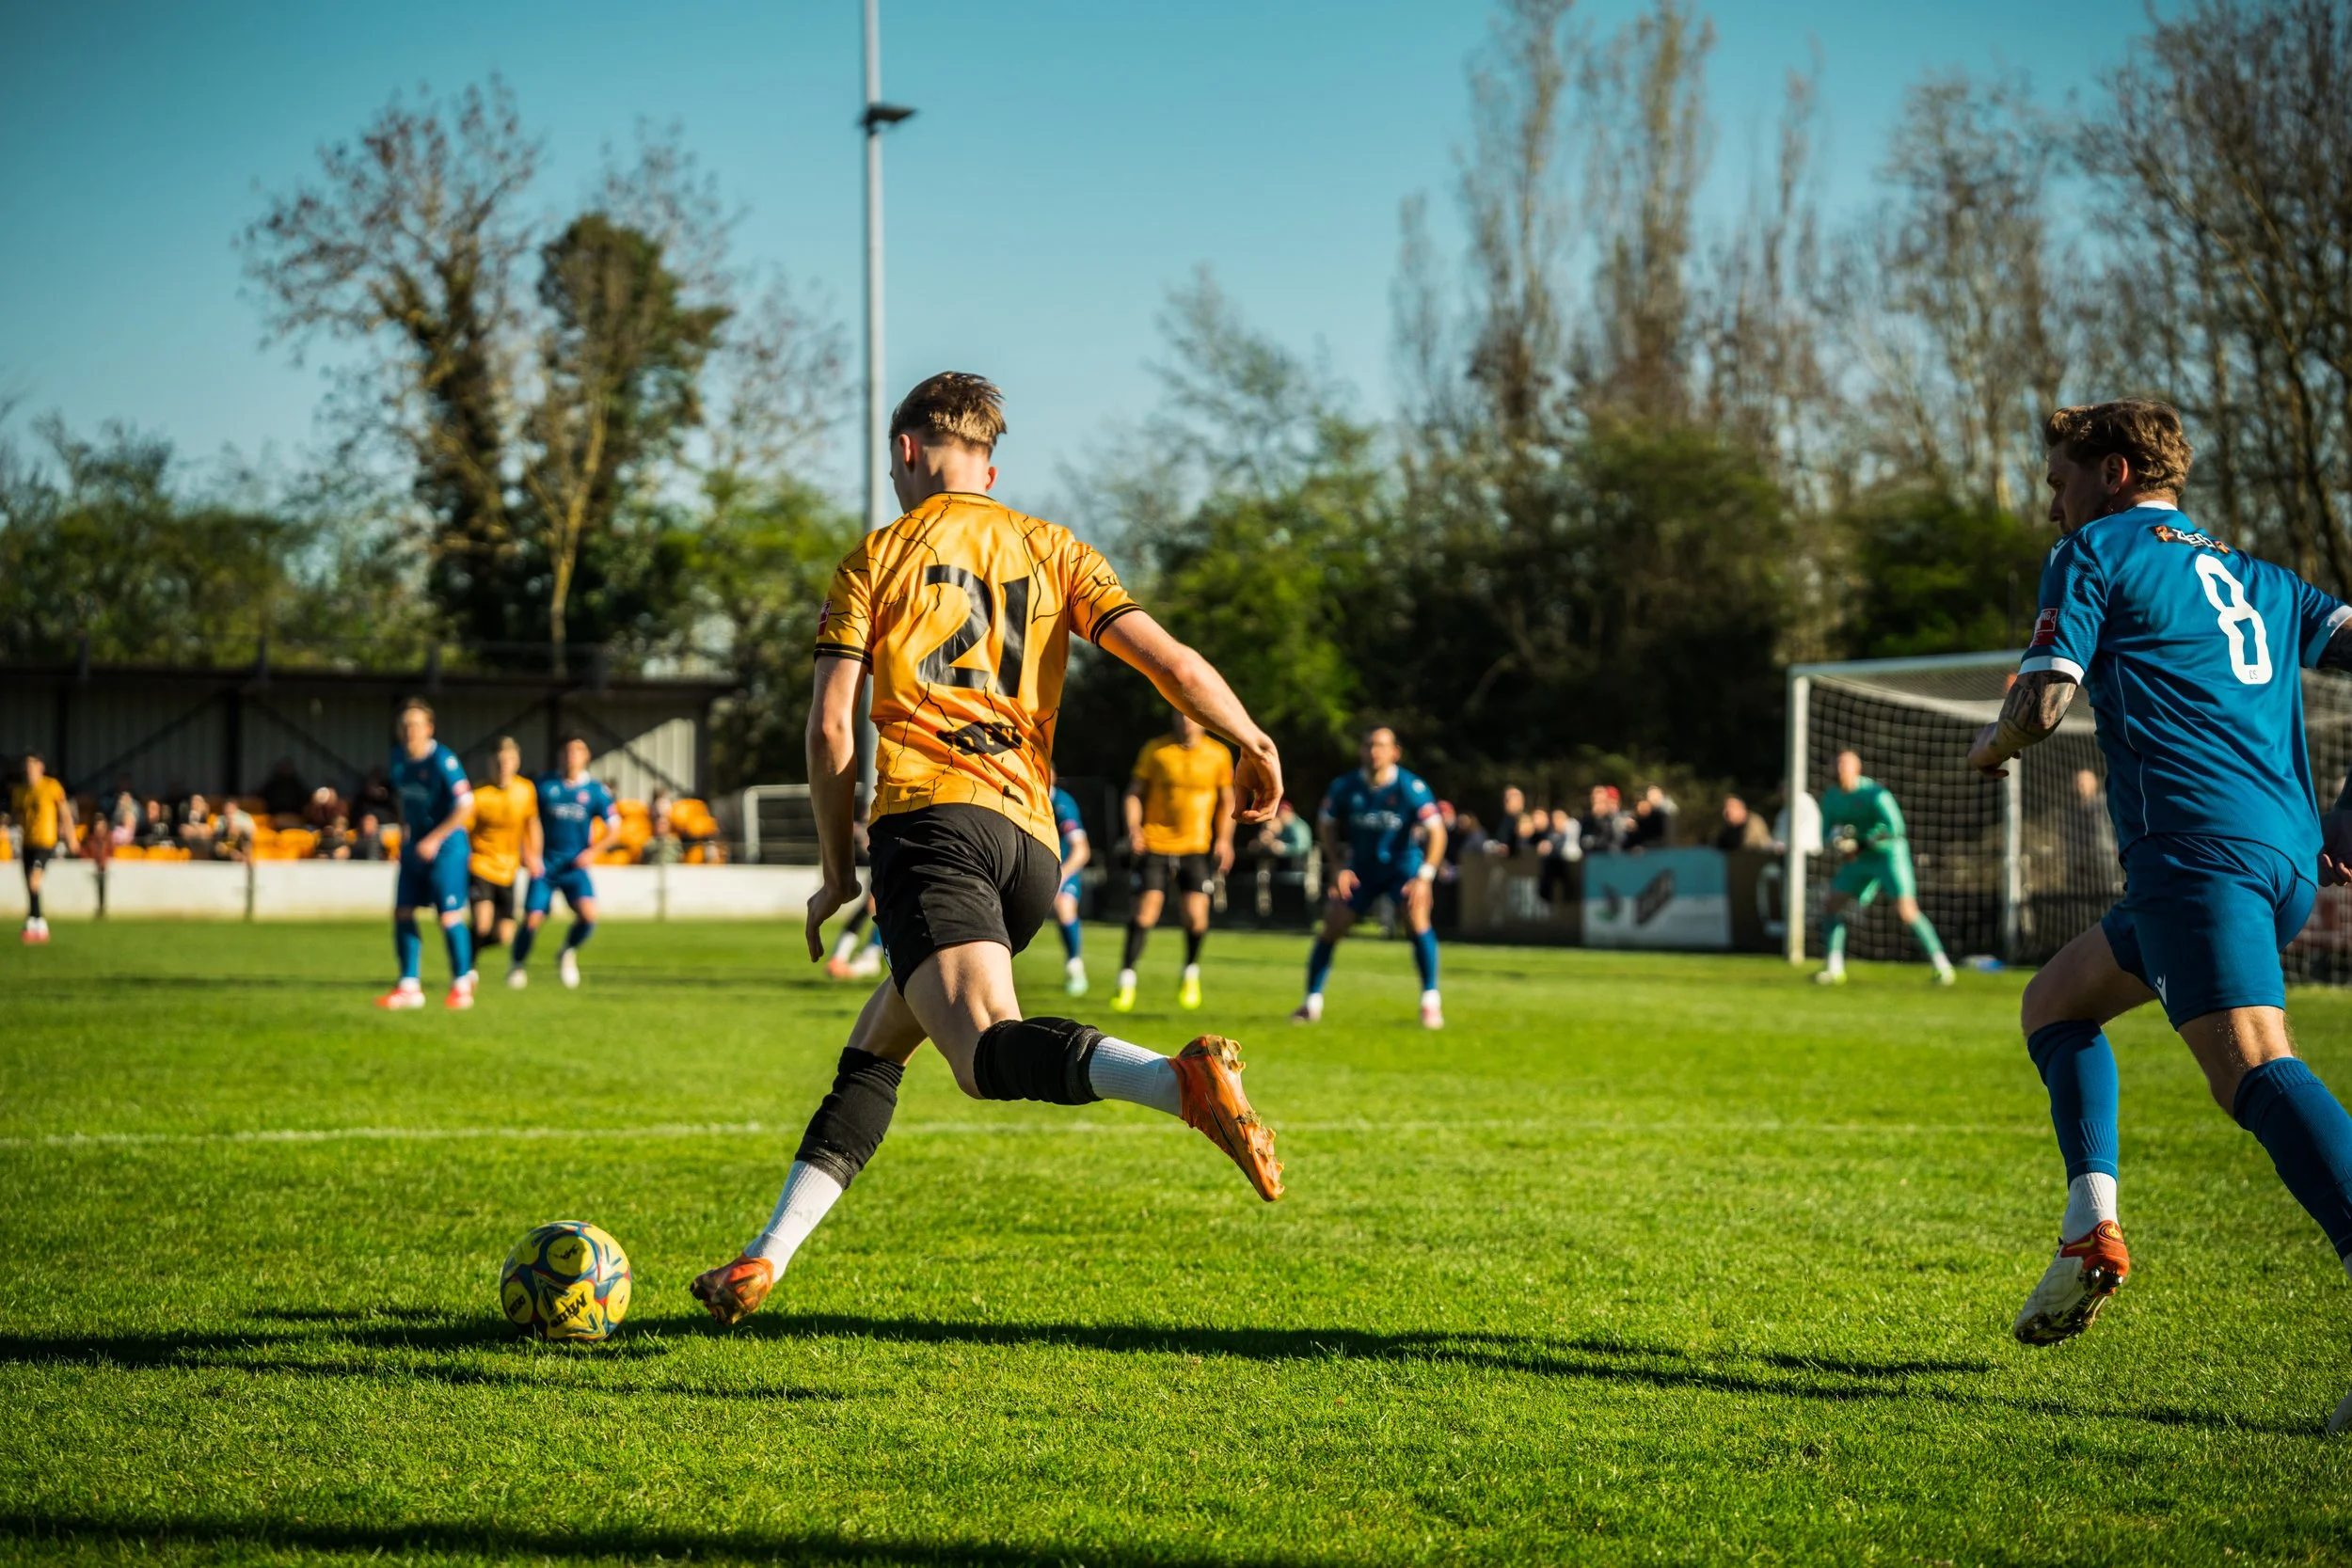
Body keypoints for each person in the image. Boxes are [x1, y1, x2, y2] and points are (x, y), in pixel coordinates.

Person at [690, 372, 1286, 1327]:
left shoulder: (874, 559)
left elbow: (832, 732)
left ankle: (1176, 1081)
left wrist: (840, 869)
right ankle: (764, 1258)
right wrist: (1251, 740)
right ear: (990, 466)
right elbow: (1170, 665)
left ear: (907, 449)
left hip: (930, 825)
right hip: (1030, 848)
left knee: (979, 1055)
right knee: (876, 1046)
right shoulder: (1054, 547)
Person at [1967, 402, 2352, 1423]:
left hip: (2198, 855)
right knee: (2054, 1002)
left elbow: (2045, 703)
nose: (2052, 502)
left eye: (2057, 480)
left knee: (2256, 1067)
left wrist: (1995, 745)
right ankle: (2089, 1225)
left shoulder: (2094, 551)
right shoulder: (2263, 579)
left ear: (2115, 471)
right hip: (2273, 858)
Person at [1293, 725, 1449, 1030]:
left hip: (1402, 866)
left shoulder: (1410, 787)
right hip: (1361, 868)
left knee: (1417, 916)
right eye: (1368, 745)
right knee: (1333, 922)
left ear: (1395, 752)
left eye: (1380, 745)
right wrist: (1337, 865)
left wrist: (1425, 876)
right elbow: (1325, 824)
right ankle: (1312, 1002)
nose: (1374, 751)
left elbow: (1438, 832)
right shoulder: (1345, 786)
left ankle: (1430, 1001)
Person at [1114, 708, 1235, 1013]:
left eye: (1191, 716)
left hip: (1196, 846)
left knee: (1197, 918)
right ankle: (1126, 980)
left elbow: (1227, 801)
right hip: (1155, 843)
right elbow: (1133, 794)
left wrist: (1225, 840)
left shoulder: (1218, 755)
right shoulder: (1156, 750)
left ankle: (1190, 973)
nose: (1185, 721)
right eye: (1179, 715)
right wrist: (1133, 830)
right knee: (1145, 914)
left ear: (1203, 720)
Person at [1814, 750, 1955, 987]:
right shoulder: (1831, 797)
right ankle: (1834, 967)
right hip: (1859, 859)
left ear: (1857, 769)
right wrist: (1838, 842)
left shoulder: (1875, 793)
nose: (1840, 770)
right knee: (1830, 904)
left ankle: (1942, 966)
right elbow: (1827, 831)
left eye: (1845, 765)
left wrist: (1861, 842)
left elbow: (1896, 828)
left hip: (1889, 855)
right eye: (1837, 765)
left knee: (1907, 911)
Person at [376, 700, 476, 1010]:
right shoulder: (398, 760)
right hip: (415, 845)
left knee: (448, 916)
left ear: (429, 729)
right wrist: (406, 829)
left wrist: (434, 838)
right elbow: (404, 801)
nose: (410, 732)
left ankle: (461, 983)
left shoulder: (443, 760)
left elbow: (466, 805)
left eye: (416, 725)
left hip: (447, 846)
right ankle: (409, 986)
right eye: (405, 726)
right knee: (403, 912)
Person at [511, 736, 616, 991]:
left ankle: (567, 952)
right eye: (567, 750)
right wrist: (528, 853)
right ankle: (517, 966)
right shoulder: (543, 786)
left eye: (578, 751)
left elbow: (615, 829)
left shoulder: (596, 791)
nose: (572, 756)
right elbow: (524, 820)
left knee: (589, 916)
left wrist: (593, 852)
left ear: (587, 756)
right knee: (532, 919)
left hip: (575, 868)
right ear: (560, 755)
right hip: (545, 866)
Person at [467, 736, 539, 976]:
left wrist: (534, 855)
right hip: (481, 864)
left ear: (517, 762)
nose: (503, 766)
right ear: (491, 763)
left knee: (505, 936)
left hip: (509, 869)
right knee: (482, 923)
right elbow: (463, 829)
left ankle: (464, 948)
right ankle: (468, 968)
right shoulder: (478, 794)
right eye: (499, 761)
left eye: (509, 760)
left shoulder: (526, 790)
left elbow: (532, 823)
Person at [11, 754, 73, 944]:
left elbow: (64, 811)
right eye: (27, 766)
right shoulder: (21, 791)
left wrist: (71, 837)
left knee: (34, 881)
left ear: (41, 766)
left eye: (32, 765)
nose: (29, 769)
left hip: (45, 842)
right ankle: (32, 922)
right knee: (29, 884)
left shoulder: (51, 786)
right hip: (27, 842)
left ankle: (41, 924)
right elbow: (16, 816)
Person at [1050, 770, 1090, 996]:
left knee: (1064, 907)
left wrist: (1062, 875)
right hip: (1036, 867)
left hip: (1063, 867)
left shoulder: (1062, 804)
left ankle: (1074, 966)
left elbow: (1081, 850)